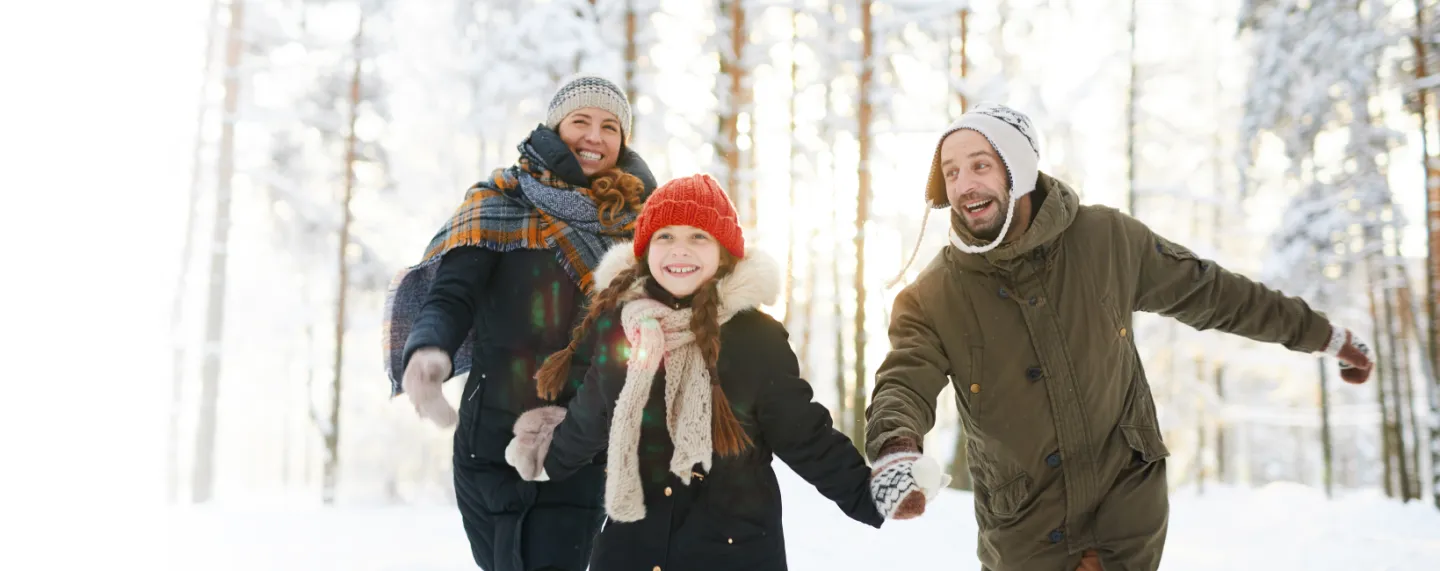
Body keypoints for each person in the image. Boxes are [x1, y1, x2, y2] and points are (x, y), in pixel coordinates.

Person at [864, 103, 1376, 571]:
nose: (964, 185)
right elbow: (905, 379)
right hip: (1024, 534)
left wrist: (1325, 336)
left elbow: (1218, 295)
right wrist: (896, 448)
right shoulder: (932, 294)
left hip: (1125, 517)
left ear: (1017, 169)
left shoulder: (1107, 241)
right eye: (951, 173)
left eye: (980, 165)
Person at [500, 173, 949, 571]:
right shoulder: (624, 329)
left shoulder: (755, 338)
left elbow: (804, 435)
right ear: (644, 251)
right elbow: (593, 411)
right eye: (665, 236)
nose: (680, 249)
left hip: (733, 549)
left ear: (724, 254)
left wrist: (868, 493)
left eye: (699, 237)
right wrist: (545, 460)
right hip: (632, 546)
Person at [382, 74, 659, 571]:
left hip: (579, 445)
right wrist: (427, 351)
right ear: (555, 128)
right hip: (487, 445)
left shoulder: (642, 229)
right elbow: (451, 296)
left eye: (610, 127)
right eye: (581, 121)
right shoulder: (498, 204)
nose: (594, 136)